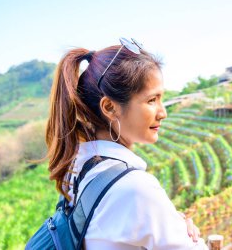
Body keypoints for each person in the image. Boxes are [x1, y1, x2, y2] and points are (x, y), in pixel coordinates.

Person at [46, 38, 208, 249]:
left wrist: (164, 220)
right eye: (152, 100)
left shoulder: (79, 168)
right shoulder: (135, 188)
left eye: (162, 99)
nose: (163, 113)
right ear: (110, 107)